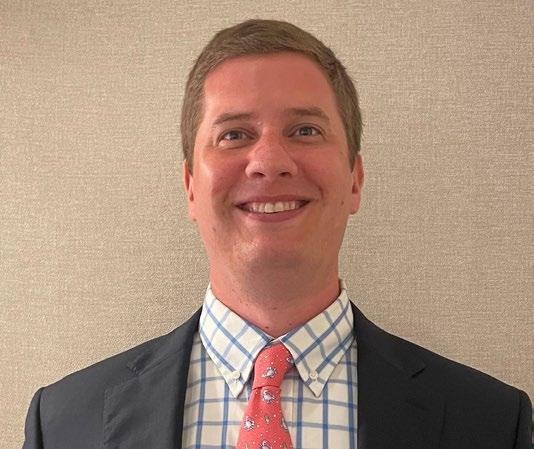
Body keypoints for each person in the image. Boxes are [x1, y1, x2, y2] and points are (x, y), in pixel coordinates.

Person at [22, 19, 531, 449]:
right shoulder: (64, 423)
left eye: (305, 130)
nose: (268, 161)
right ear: (191, 187)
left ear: (355, 180)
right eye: (234, 134)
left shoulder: (490, 422)